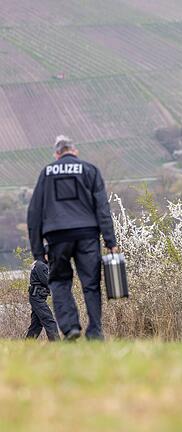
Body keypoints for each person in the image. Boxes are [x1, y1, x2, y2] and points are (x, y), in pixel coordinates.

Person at [27, 135, 117, 341]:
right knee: (91, 283)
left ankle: (70, 328)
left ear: (57, 154)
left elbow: (34, 213)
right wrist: (110, 241)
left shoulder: (46, 173)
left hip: (57, 237)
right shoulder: (90, 170)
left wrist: (38, 252)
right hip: (87, 235)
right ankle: (94, 331)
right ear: (75, 151)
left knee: (59, 281)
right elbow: (102, 207)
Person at [25, 245, 60, 341]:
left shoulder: (41, 264)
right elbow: (48, 282)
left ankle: (28, 344)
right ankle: (57, 345)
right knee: (49, 321)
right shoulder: (41, 265)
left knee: (37, 324)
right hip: (37, 297)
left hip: (37, 297)